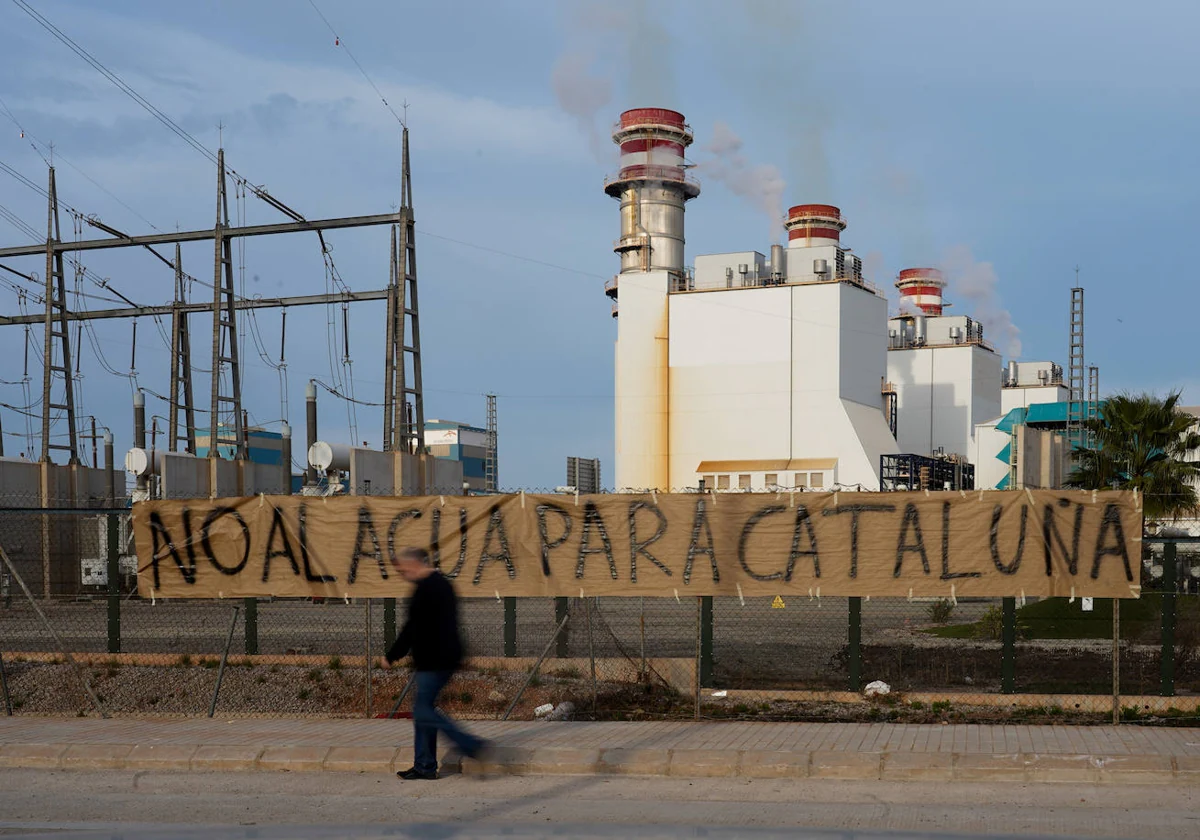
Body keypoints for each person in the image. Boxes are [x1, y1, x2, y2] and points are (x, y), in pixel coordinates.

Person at [384, 545, 489, 780]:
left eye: (403, 569)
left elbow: (412, 628)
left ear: (414, 564)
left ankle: (471, 745)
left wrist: (391, 655)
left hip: (436, 660)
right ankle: (424, 765)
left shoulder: (427, 589)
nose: (402, 575)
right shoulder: (440, 584)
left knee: (423, 710)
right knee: (423, 712)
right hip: (439, 658)